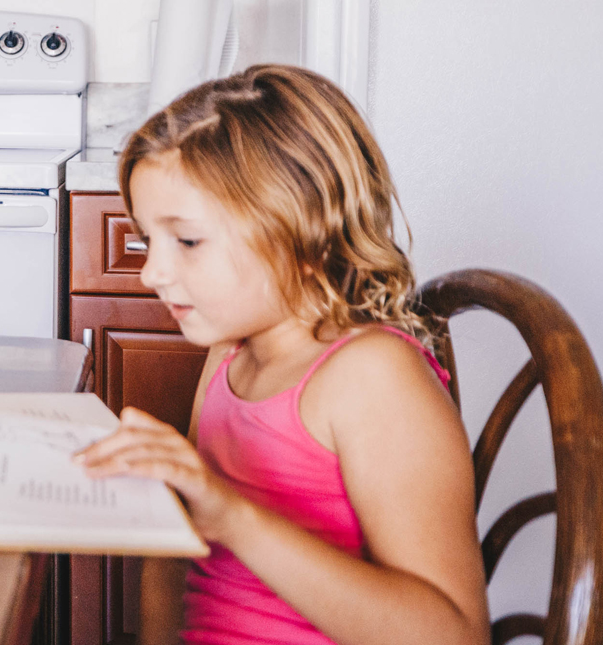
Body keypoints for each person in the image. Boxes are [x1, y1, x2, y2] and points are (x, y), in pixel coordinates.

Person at [75, 65, 489, 645]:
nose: (152, 272)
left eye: (187, 241)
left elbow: (452, 635)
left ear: (303, 232)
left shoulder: (372, 378)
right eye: (147, 239)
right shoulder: (229, 353)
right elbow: (179, 564)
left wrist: (233, 518)